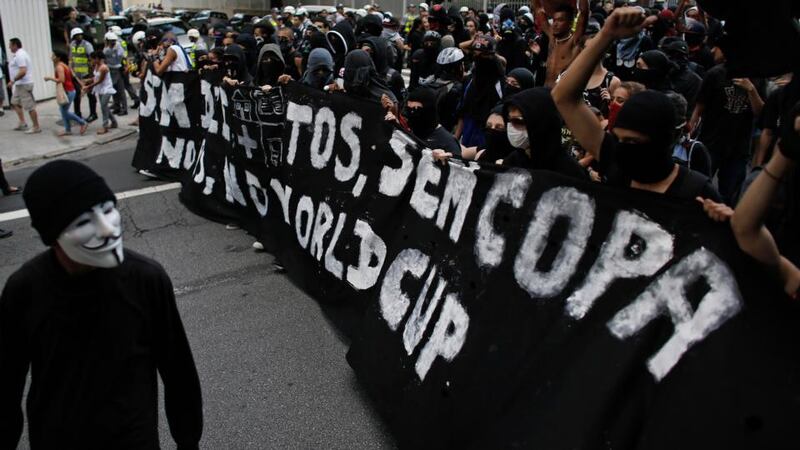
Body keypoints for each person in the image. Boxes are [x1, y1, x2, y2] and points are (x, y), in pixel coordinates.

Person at [0, 160, 203, 447]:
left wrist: (188, 441)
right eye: (84, 222)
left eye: (109, 211)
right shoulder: (25, 290)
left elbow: (178, 372)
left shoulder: (146, 279)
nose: (107, 230)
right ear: (52, 235)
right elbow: (7, 386)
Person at [553, 7, 721, 201]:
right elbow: (563, 97)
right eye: (620, 140)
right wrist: (607, 35)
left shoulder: (696, 191)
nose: (624, 149)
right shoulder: (618, 165)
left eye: (633, 142)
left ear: (666, 139)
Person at [690, 44, 764, 203]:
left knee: (730, 193)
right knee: (701, 188)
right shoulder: (715, 74)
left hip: (739, 146)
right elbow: (699, 107)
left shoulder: (757, 77)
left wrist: (751, 90)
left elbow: (760, 112)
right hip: (712, 141)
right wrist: (690, 131)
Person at [502, 87, 588, 179]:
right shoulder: (512, 162)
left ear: (540, 122)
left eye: (517, 121)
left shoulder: (570, 173)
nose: (511, 126)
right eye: (509, 120)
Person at [458, 35, 504, 147]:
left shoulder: (499, 82)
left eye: (483, 54)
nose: (479, 57)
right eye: (476, 53)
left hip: (486, 128)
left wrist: (489, 44)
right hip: (469, 126)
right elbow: (464, 110)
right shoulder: (471, 81)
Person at [533, 0, 590, 87]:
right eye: (554, 20)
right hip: (546, 91)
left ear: (570, 23)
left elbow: (584, 13)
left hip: (563, 94)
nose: (555, 24)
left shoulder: (574, 41)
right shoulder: (552, 38)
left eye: (560, 20)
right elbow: (538, 9)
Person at [404, 87, 461, 156]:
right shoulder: (411, 132)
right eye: (408, 109)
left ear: (428, 112)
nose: (411, 115)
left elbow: (457, 164)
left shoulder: (448, 144)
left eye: (416, 110)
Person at [45, 50, 89, 136]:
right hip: (70, 91)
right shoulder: (63, 65)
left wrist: (49, 78)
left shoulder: (59, 67)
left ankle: (82, 122)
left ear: (58, 58)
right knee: (63, 110)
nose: (51, 57)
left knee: (64, 111)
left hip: (68, 91)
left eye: (53, 55)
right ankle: (68, 129)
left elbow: (62, 80)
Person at [7, 38, 40, 134]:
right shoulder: (18, 55)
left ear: (15, 45)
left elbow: (23, 71)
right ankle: (22, 123)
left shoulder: (20, 55)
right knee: (15, 102)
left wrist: (12, 81)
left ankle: (36, 127)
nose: (9, 47)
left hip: (24, 84)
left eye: (10, 45)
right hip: (19, 85)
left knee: (30, 106)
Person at [82, 51, 117, 135]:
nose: (91, 61)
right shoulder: (97, 66)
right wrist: (89, 80)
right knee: (104, 106)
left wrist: (89, 86)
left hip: (107, 89)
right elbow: (96, 77)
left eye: (92, 59)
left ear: (97, 58)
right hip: (101, 89)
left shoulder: (103, 68)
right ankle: (114, 122)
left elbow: (100, 80)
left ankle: (105, 126)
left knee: (103, 107)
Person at [69, 28, 98, 123]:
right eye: (77, 35)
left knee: (90, 94)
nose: (79, 36)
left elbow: (93, 59)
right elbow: (71, 58)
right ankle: (77, 114)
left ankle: (93, 114)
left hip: (86, 74)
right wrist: (71, 70)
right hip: (76, 75)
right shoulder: (72, 45)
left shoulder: (87, 45)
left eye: (80, 34)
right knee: (76, 95)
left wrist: (92, 73)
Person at [102, 32, 128, 116]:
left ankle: (124, 109)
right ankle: (117, 107)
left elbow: (124, 57)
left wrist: (126, 67)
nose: (112, 43)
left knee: (121, 90)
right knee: (114, 90)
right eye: (111, 41)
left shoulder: (118, 48)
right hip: (110, 70)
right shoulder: (106, 49)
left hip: (118, 70)